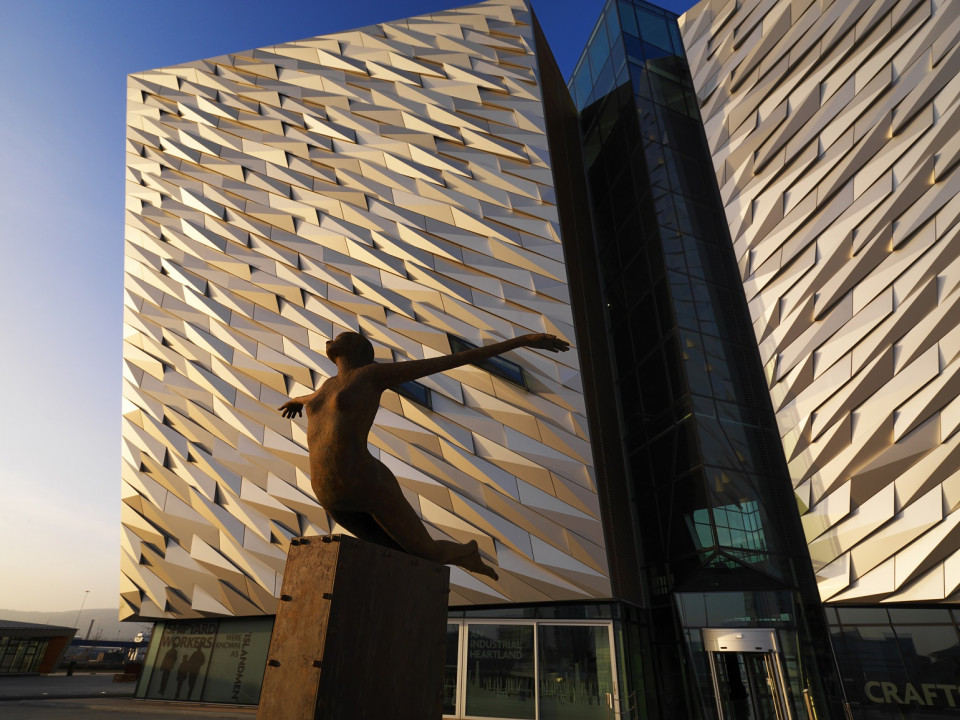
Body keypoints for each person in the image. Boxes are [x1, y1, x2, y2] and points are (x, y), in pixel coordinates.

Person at [279, 331, 570, 580]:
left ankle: (463, 552)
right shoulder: (328, 385)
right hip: (329, 491)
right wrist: (296, 400)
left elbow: (450, 360)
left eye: (340, 337)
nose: (330, 340)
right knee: (386, 555)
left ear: (357, 349)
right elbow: (312, 399)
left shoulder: (371, 375)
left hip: (366, 482)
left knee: (422, 550)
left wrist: (522, 341)